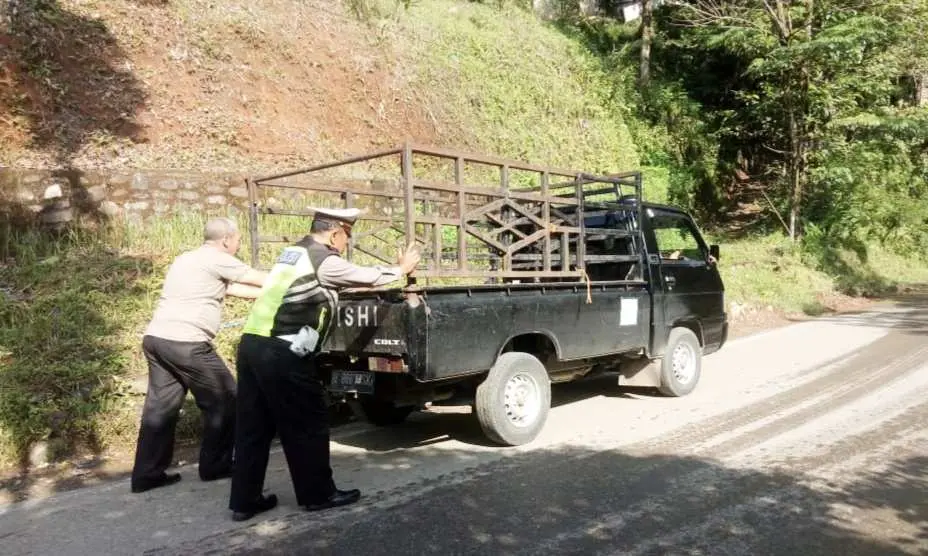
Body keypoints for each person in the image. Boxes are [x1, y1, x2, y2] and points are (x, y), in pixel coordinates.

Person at [228, 207, 420, 522]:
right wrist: (400, 270)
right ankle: (318, 494)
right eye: (347, 236)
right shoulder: (324, 259)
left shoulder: (293, 254)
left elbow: (318, 288)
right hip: (283, 350)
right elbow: (364, 275)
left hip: (253, 344)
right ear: (334, 234)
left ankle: (245, 501)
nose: (346, 244)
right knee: (307, 422)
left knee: (254, 426)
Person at [130, 217, 268, 494]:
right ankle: (215, 466)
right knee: (227, 399)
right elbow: (262, 278)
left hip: (157, 339)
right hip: (187, 343)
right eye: (238, 240)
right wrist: (292, 283)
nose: (238, 245)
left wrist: (269, 294)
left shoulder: (188, 259)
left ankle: (147, 474)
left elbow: (233, 289)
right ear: (227, 240)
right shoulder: (217, 257)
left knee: (160, 408)